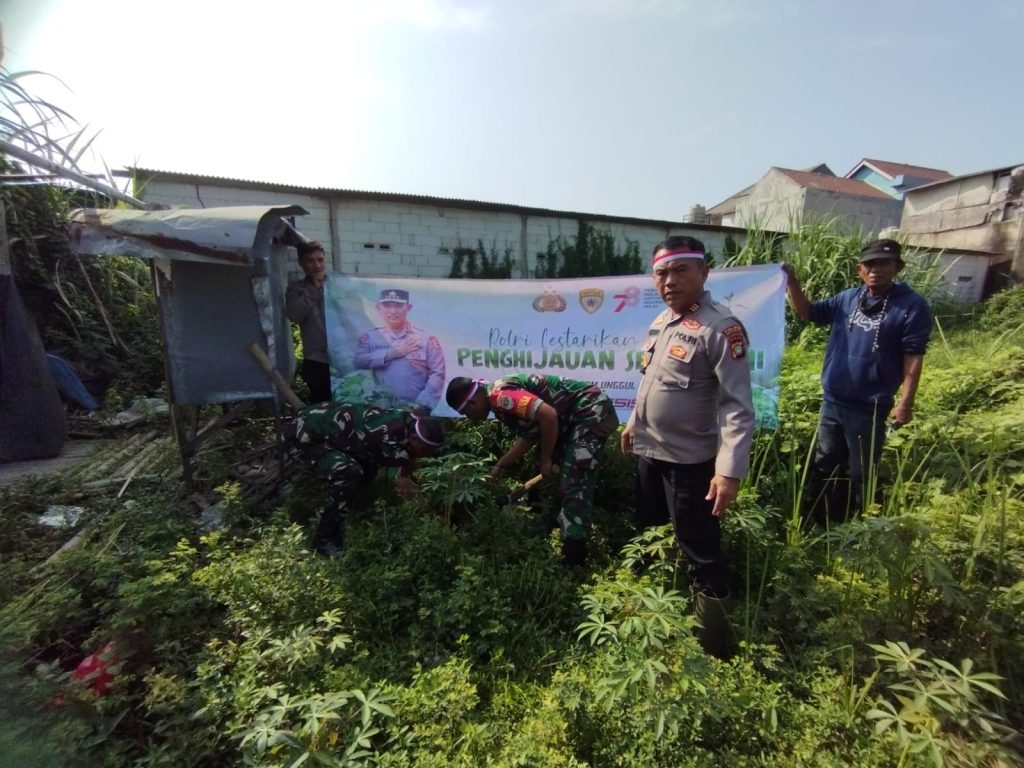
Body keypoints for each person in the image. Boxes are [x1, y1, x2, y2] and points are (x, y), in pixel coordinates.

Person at [620, 235, 755, 659]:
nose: (670, 281)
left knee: (700, 549)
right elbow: (650, 383)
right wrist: (632, 423)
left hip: (691, 464)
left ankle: (712, 647)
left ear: (703, 272)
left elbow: (737, 407)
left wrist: (728, 471)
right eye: (662, 273)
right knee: (649, 531)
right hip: (650, 453)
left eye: (680, 270)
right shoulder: (661, 323)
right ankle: (655, 616)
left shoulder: (721, 327)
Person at [782, 238, 933, 527]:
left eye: (884, 263)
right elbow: (809, 313)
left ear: (897, 266)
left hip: (869, 405)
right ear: (859, 269)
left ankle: (863, 528)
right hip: (833, 401)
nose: (876, 269)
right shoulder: (847, 299)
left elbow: (913, 357)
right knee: (825, 463)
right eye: (870, 264)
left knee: (861, 471)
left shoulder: (912, 306)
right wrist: (792, 282)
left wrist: (905, 402)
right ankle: (825, 522)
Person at [445, 374, 619, 567]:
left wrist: (546, 461)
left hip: (589, 410)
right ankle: (548, 522)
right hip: (570, 418)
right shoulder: (497, 399)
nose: (470, 419)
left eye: (466, 413)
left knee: (575, 480)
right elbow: (531, 434)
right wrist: (502, 464)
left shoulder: (499, 397)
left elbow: (548, 415)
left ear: (472, 402)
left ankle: (574, 559)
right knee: (551, 465)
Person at [283, 400, 446, 557]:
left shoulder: (408, 423)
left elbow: (411, 463)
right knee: (349, 472)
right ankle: (325, 538)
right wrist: (434, 517)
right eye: (427, 450)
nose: (429, 455)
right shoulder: (387, 441)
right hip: (303, 438)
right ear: (415, 440)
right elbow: (404, 484)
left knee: (368, 470)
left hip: (330, 433)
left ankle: (347, 508)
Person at [355, 289, 446, 414]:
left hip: (414, 409)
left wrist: (424, 403)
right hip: (378, 408)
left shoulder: (425, 338)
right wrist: (392, 354)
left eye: (398, 306)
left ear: (408, 308)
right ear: (378, 308)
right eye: (387, 306)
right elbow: (359, 362)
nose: (393, 311)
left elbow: (438, 373)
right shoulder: (370, 338)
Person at [285, 240, 332, 403]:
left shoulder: (338, 285)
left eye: (320, 259)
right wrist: (314, 289)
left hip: (343, 358)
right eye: (311, 261)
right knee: (323, 409)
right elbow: (294, 314)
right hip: (317, 360)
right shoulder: (296, 289)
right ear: (301, 263)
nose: (317, 265)